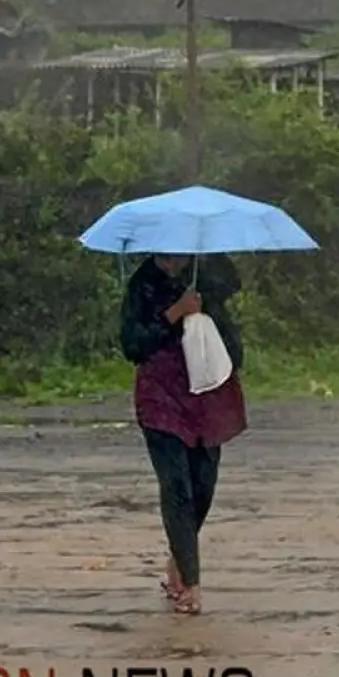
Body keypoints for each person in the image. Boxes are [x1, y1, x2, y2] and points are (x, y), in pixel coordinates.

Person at [121, 253, 246, 616]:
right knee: (177, 487)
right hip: (162, 397)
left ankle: (179, 556)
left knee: (203, 485)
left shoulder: (206, 269)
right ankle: (191, 584)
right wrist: (174, 313)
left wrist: (201, 294)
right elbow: (132, 343)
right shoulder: (142, 285)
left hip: (209, 393)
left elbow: (231, 289)